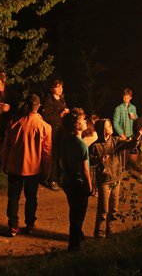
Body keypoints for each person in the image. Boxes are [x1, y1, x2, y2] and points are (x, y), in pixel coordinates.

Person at [1, 94, 52, 237]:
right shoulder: (45, 127)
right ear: (39, 107)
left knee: (13, 197)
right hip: (34, 168)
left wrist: (4, 163)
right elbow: (47, 152)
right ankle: (29, 224)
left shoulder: (14, 124)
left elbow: (6, 146)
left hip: (15, 166)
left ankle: (13, 225)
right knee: (31, 198)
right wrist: (46, 171)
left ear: (26, 106)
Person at [91, 118, 142, 238]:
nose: (111, 127)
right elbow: (90, 162)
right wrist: (99, 160)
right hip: (104, 182)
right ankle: (99, 235)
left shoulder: (116, 141)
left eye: (110, 125)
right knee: (103, 211)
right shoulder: (95, 146)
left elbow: (130, 145)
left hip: (116, 179)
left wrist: (138, 136)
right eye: (108, 126)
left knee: (113, 210)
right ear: (101, 129)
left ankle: (111, 232)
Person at [60, 107, 93, 251]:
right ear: (76, 124)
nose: (85, 121)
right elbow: (85, 169)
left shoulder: (67, 140)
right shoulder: (81, 145)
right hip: (78, 183)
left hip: (68, 181)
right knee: (79, 215)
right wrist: (90, 186)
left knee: (74, 212)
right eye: (82, 119)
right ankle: (74, 246)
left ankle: (76, 239)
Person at [40, 78, 70, 191]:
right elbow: (47, 118)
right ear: (52, 88)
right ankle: (51, 179)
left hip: (62, 131)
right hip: (53, 132)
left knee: (61, 156)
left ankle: (60, 178)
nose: (60, 89)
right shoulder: (48, 100)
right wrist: (60, 115)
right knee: (54, 155)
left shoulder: (62, 99)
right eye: (58, 87)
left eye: (61, 87)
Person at [112, 88, 139, 174]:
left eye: (127, 97)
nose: (125, 99)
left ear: (130, 97)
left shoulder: (133, 107)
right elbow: (115, 122)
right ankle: (121, 173)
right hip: (122, 136)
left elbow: (136, 118)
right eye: (124, 97)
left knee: (128, 155)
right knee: (121, 155)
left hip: (130, 134)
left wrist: (134, 117)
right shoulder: (118, 108)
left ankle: (127, 171)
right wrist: (121, 133)